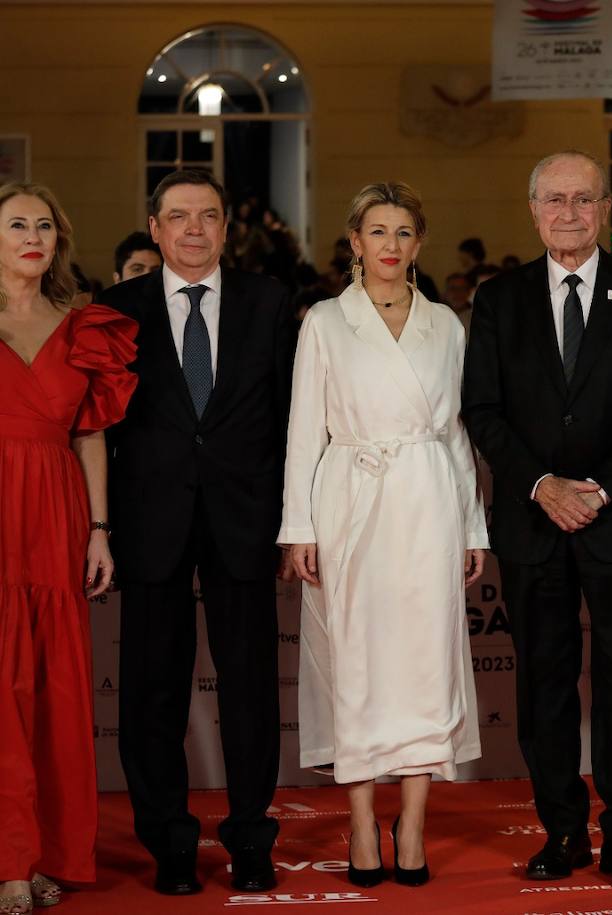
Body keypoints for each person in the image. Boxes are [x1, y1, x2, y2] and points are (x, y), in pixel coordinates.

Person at [462, 150, 612, 888]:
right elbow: (482, 411)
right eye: (554, 199)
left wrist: (596, 488)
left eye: (582, 199)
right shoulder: (499, 300)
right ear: (532, 210)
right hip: (533, 523)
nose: (568, 212)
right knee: (545, 683)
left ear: (605, 209)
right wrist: (539, 485)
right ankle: (562, 829)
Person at [279, 182, 489, 889]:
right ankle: (363, 817)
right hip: (352, 501)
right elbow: (304, 429)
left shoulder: (446, 325)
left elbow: (455, 432)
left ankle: (414, 822)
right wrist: (299, 526)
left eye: (403, 231)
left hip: (429, 500)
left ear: (418, 243)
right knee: (356, 660)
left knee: (426, 659)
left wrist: (472, 522)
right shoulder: (324, 323)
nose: (391, 245)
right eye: (378, 231)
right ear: (355, 241)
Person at [100, 170, 296, 896]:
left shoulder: (269, 301)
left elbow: (291, 421)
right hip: (150, 521)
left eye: (207, 216)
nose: (192, 229)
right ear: (153, 227)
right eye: (177, 216)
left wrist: (294, 519)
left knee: (250, 688)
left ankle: (250, 837)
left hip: (245, 522)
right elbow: (101, 428)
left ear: (225, 227)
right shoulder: (115, 309)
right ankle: (170, 843)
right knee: (151, 692)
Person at [0, 183, 136, 915]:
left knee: (51, 688)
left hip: (56, 511)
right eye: (16, 223)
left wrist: (100, 530)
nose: (32, 235)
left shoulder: (85, 326)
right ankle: (7, 857)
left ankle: (47, 850)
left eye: (43, 225)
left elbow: (91, 435)